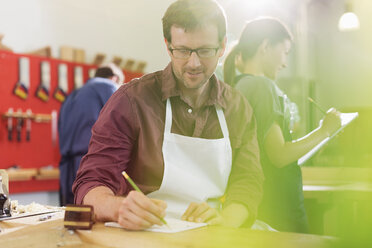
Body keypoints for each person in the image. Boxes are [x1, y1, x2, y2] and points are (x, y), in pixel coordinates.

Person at [72, 0, 264, 231]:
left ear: (222, 46)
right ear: (168, 45)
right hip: (143, 235)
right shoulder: (132, 101)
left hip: (213, 234)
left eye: (204, 51)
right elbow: (91, 183)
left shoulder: (237, 107)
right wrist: (117, 208)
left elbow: (248, 181)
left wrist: (227, 220)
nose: (193, 63)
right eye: (182, 51)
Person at [223, 17, 341, 233]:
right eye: (285, 52)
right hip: (278, 208)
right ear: (265, 46)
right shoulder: (262, 86)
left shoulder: (239, 86)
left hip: (260, 205)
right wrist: (325, 130)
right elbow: (279, 155)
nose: (285, 62)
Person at [58, 63, 124, 206]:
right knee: (94, 217)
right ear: (114, 78)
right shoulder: (109, 87)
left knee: (71, 217)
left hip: (67, 167)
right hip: (93, 164)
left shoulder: (73, 94)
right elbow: (123, 123)